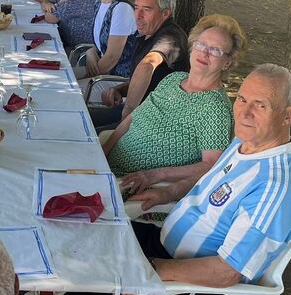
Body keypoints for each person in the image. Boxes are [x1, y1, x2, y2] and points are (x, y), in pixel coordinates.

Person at [57, 64, 291, 295]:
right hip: (167, 250)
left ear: (289, 115)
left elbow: (226, 273)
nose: (245, 112)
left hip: (201, 291)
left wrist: (146, 271)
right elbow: (209, 181)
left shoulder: (274, 186)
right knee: (93, 238)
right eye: (242, 99)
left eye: (261, 105)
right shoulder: (248, 143)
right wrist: (167, 192)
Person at [104, 14, 245, 182]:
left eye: (216, 50)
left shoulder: (215, 108)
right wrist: (103, 151)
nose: (205, 53)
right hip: (106, 167)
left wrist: (157, 174)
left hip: (133, 184)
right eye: (201, 44)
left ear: (228, 62)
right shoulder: (173, 79)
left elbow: (211, 164)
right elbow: (132, 118)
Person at [89, 0, 190, 129]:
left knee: (86, 134)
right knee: (77, 120)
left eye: (147, 9)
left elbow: (147, 66)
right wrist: (120, 90)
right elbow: (152, 82)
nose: (138, 16)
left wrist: (128, 110)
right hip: (139, 111)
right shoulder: (146, 33)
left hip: (154, 122)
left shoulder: (171, 37)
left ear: (166, 13)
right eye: (136, 8)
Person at [82, 0, 138, 78]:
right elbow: (103, 44)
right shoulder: (99, 3)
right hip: (102, 71)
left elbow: (112, 57)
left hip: (118, 79)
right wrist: (91, 51)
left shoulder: (121, 9)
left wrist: (86, 78)